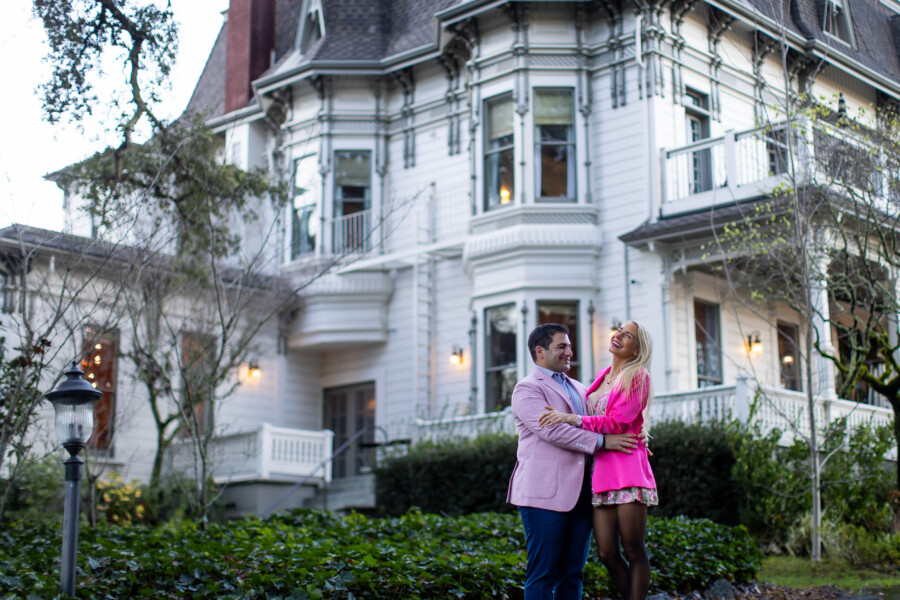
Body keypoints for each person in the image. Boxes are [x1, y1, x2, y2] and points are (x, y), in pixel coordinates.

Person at [507, 323, 641, 600]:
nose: (570, 351)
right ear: (540, 351)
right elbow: (552, 430)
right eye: (562, 346)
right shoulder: (527, 389)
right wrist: (602, 442)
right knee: (543, 574)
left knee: (573, 573)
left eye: (569, 346)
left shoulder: (581, 389)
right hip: (543, 497)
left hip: (584, 494)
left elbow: (602, 421)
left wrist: (638, 436)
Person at [539, 320, 656, 600]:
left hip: (627, 467)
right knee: (605, 552)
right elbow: (593, 413)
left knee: (632, 548)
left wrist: (571, 419)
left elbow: (617, 422)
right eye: (620, 331)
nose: (619, 336)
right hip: (601, 471)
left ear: (637, 349)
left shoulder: (638, 376)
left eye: (628, 336)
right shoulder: (603, 374)